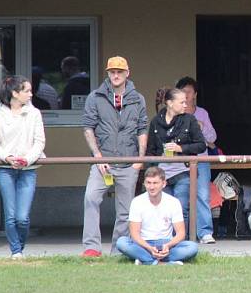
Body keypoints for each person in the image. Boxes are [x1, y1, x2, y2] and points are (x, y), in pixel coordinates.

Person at [81, 56, 148, 257]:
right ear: (108, 74)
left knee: (126, 210)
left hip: (129, 162)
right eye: (112, 72)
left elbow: (142, 128)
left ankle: (119, 250)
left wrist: (140, 160)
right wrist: (97, 157)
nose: (116, 75)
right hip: (103, 161)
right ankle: (92, 247)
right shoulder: (95, 97)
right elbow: (88, 127)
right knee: (91, 198)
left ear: (128, 73)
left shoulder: (138, 98)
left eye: (119, 71)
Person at [0, 76, 46, 259]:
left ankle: (19, 248)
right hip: (5, 169)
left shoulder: (35, 113)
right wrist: (7, 157)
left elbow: (39, 142)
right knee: (11, 215)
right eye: (27, 91)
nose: (31, 94)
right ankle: (16, 251)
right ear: (15, 93)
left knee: (23, 217)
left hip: (28, 171)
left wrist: (26, 160)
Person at [146, 88, 206, 239]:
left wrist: (181, 148)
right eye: (182, 102)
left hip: (183, 172)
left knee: (180, 209)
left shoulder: (189, 120)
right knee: (162, 210)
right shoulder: (155, 122)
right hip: (162, 174)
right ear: (170, 103)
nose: (186, 105)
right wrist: (150, 173)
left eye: (186, 101)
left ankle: (180, 244)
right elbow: (151, 150)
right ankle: (163, 244)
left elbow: (201, 145)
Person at [115, 166, 199, 265]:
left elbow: (181, 233)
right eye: (148, 183)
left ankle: (145, 260)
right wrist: (149, 248)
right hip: (144, 244)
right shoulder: (137, 202)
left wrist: (168, 246)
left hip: (166, 243)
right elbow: (134, 234)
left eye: (155, 183)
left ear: (163, 184)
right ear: (144, 184)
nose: (151, 187)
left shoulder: (173, 202)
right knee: (121, 243)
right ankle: (160, 262)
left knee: (192, 247)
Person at [176, 76, 217, 244]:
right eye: (182, 92)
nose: (186, 95)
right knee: (181, 198)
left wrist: (202, 126)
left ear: (195, 95)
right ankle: (180, 235)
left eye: (189, 92)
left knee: (202, 195)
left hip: (201, 160)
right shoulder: (175, 113)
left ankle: (205, 232)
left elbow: (213, 138)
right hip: (180, 161)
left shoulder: (202, 113)